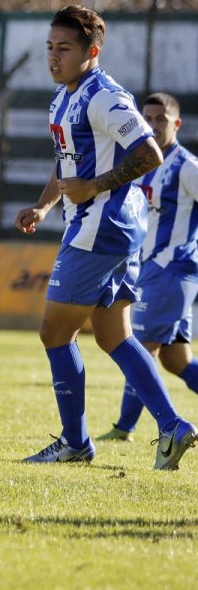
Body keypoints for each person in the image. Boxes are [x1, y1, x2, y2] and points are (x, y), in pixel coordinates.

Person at [15, 5, 195, 469]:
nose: (54, 57)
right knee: (115, 336)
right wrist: (44, 205)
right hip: (109, 228)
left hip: (101, 227)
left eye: (64, 48)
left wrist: (93, 187)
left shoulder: (105, 97)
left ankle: (76, 443)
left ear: (91, 53)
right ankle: (173, 426)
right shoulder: (64, 96)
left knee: (55, 332)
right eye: (50, 47)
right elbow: (67, 162)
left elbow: (150, 154)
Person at [95, 92, 198, 443]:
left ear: (177, 124)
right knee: (176, 360)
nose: (152, 126)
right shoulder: (140, 162)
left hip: (171, 271)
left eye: (160, 120)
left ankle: (124, 427)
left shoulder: (187, 167)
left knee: (140, 346)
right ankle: (127, 426)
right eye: (147, 119)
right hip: (150, 268)